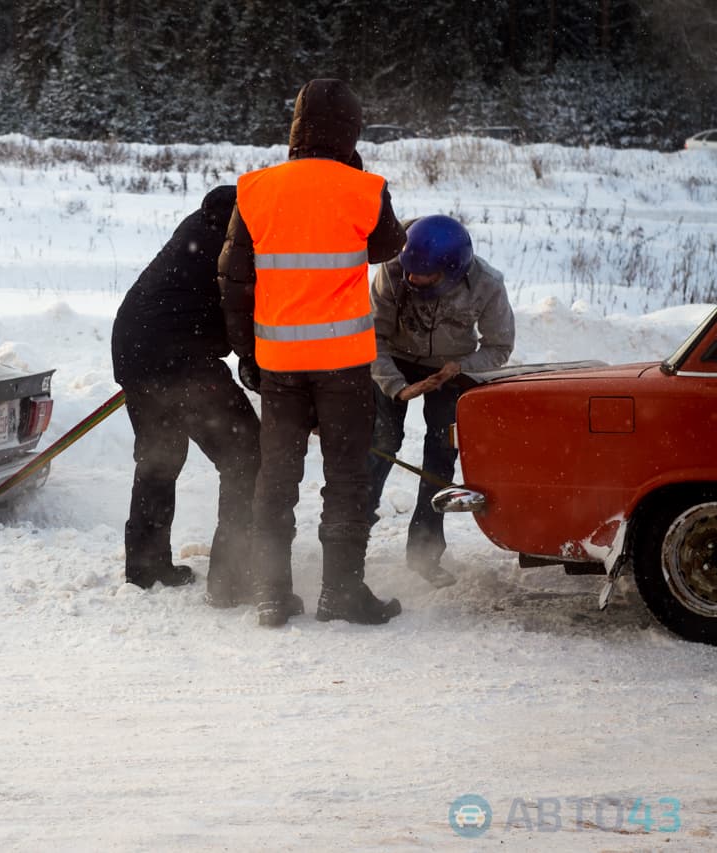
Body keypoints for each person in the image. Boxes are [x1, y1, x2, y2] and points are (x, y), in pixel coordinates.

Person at [218, 78, 406, 627]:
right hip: (344, 366)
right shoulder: (363, 188)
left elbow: (234, 282)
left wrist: (246, 355)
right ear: (351, 131)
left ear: (295, 128)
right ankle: (341, 592)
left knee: (276, 479)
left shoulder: (255, 190)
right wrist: (354, 172)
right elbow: (388, 245)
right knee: (346, 477)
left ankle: (272, 594)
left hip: (280, 366)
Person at [111, 184, 261, 595]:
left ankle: (146, 567)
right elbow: (241, 313)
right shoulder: (235, 245)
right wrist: (258, 366)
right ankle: (233, 577)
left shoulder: (200, 225)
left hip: (133, 346)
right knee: (246, 454)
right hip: (180, 359)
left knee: (160, 458)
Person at [367, 214, 515, 587]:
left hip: (451, 370)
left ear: (451, 270)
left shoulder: (487, 284)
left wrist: (459, 368)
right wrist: (396, 386)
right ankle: (350, 538)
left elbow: (499, 347)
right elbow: (373, 338)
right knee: (380, 444)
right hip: (395, 361)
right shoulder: (391, 271)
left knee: (440, 454)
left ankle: (425, 552)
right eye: (411, 274)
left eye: (425, 277)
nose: (414, 280)